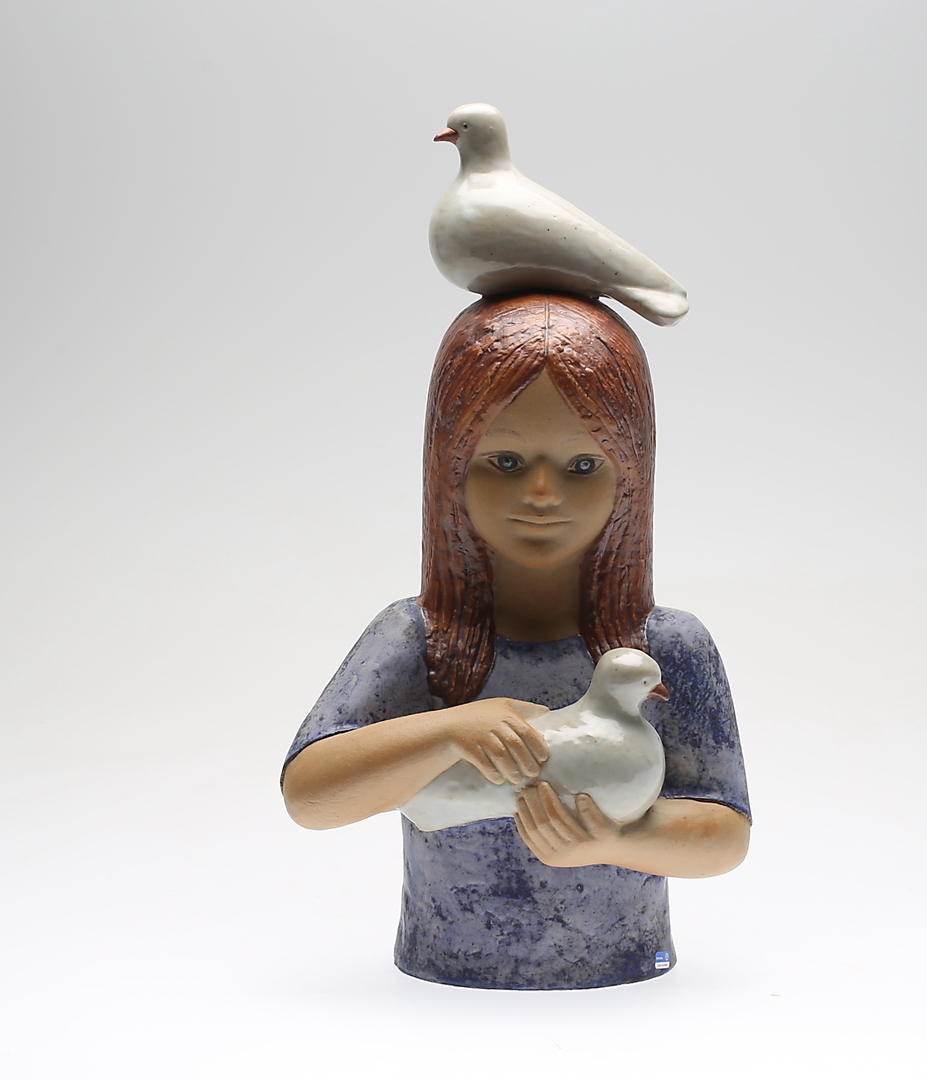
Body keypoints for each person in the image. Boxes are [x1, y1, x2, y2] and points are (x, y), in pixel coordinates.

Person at [281, 293, 750, 990]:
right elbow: (310, 795)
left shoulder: (665, 646)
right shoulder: (419, 637)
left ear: (629, 475)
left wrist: (614, 839)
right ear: (449, 467)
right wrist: (452, 730)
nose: (541, 493)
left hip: (623, 969)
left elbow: (725, 834)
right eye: (503, 460)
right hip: (445, 969)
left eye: (582, 466)